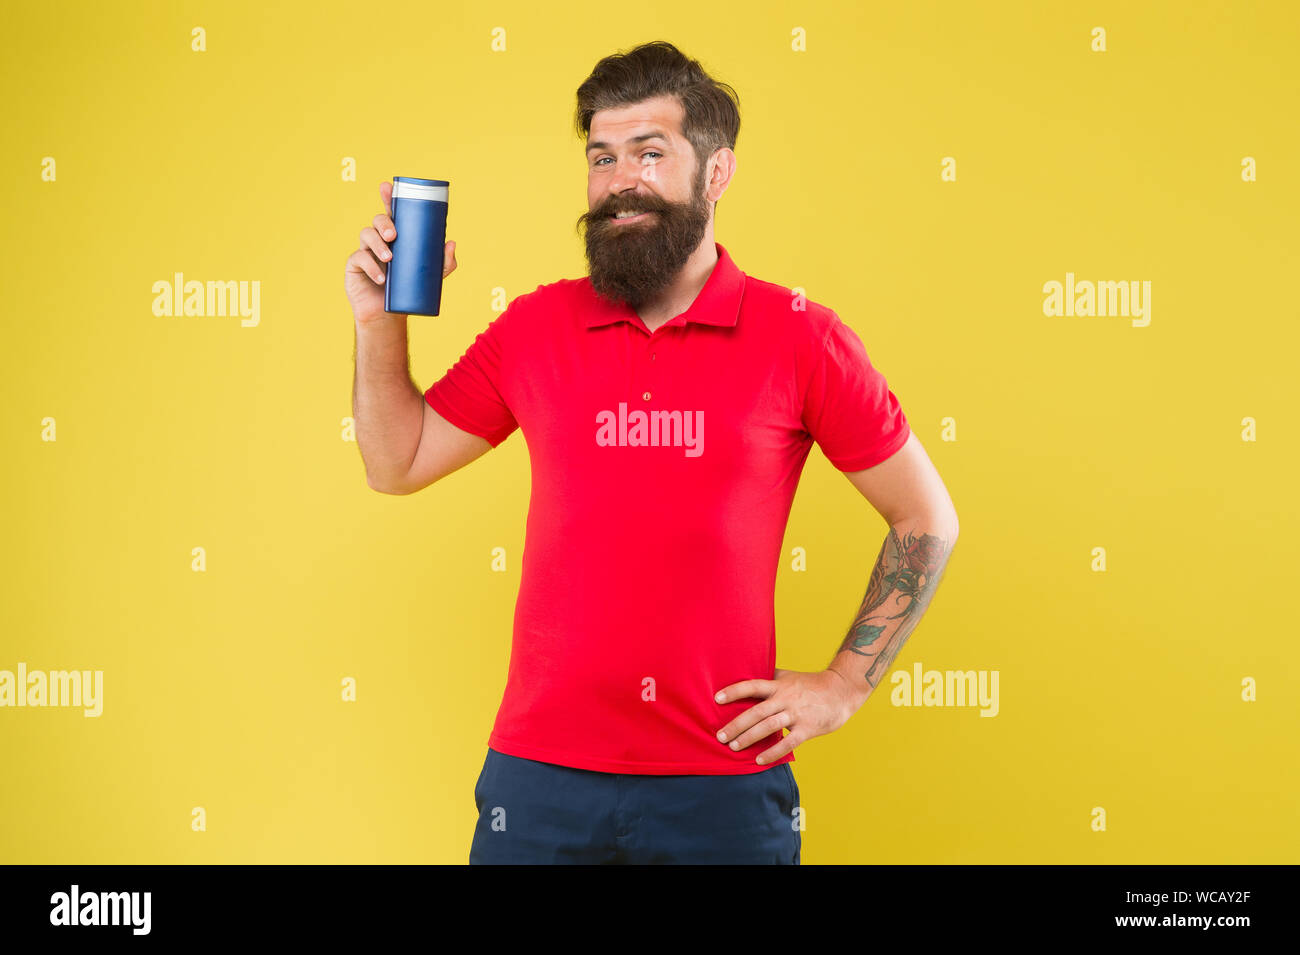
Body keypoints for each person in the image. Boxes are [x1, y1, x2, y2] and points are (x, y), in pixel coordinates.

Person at [344, 41, 959, 865]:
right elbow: (396, 460)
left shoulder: (802, 336)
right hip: (537, 780)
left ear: (717, 174)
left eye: (650, 152)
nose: (619, 179)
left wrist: (846, 683)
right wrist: (380, 320)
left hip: (722, 786)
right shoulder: (534, 328)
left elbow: (926, 517)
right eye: (601, 156)